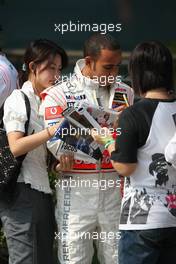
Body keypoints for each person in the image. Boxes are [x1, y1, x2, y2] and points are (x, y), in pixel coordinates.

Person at [42, 33, 134, 264]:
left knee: (117, 258)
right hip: (77, 190)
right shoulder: (59, 93)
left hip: (116, 188)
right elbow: (53, 140)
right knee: (74, 258)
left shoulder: (127, 92)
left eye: (117, 67)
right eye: (108, 67)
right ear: (89, 62)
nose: (113, 73)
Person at [92, 41, 176, 264]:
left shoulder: (134, 113)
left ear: (138, 73)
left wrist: (108, 140)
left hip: (142, 220)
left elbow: (125, 167)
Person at [0, 39, 68, 264]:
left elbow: (41, 155)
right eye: (50, 67)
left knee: (45, 258)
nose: (56, 74)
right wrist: (51, 131)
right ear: (32, 67)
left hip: (43, 191)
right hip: (19, 189)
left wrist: (60, 165)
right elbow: (16, 146)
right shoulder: (18, 99)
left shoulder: (47, 104)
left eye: (59, 69)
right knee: (25, 259)